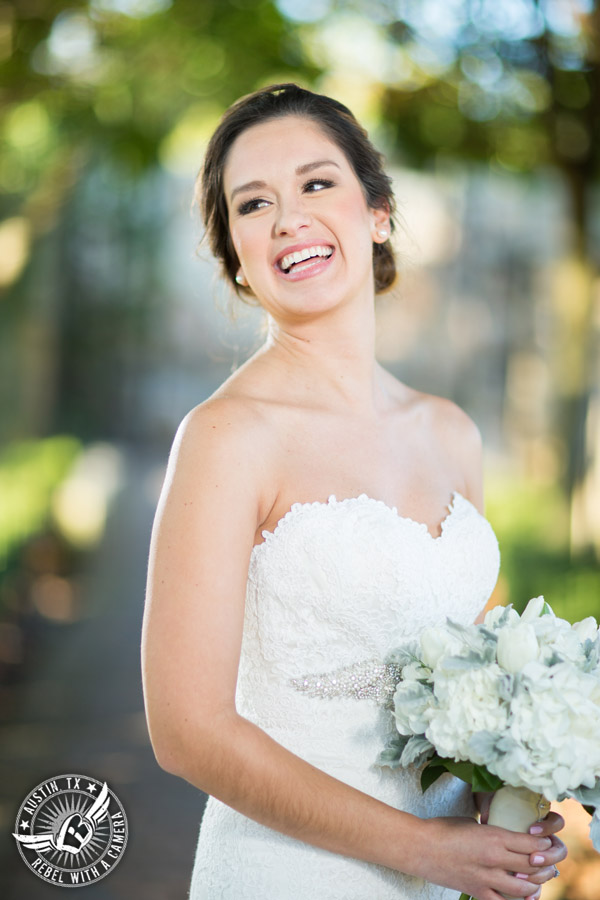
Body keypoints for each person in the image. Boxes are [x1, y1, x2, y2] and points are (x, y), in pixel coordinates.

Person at [141, 83, 567, 899]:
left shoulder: (452, 433)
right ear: (237, 257)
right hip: (287, 873)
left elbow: (473, 687)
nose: (288, 217)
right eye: (253, 203)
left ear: (377, 212)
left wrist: (508, 801)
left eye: (315, 183)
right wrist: (423, 849)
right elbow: (186, 732)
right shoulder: (226, 437)